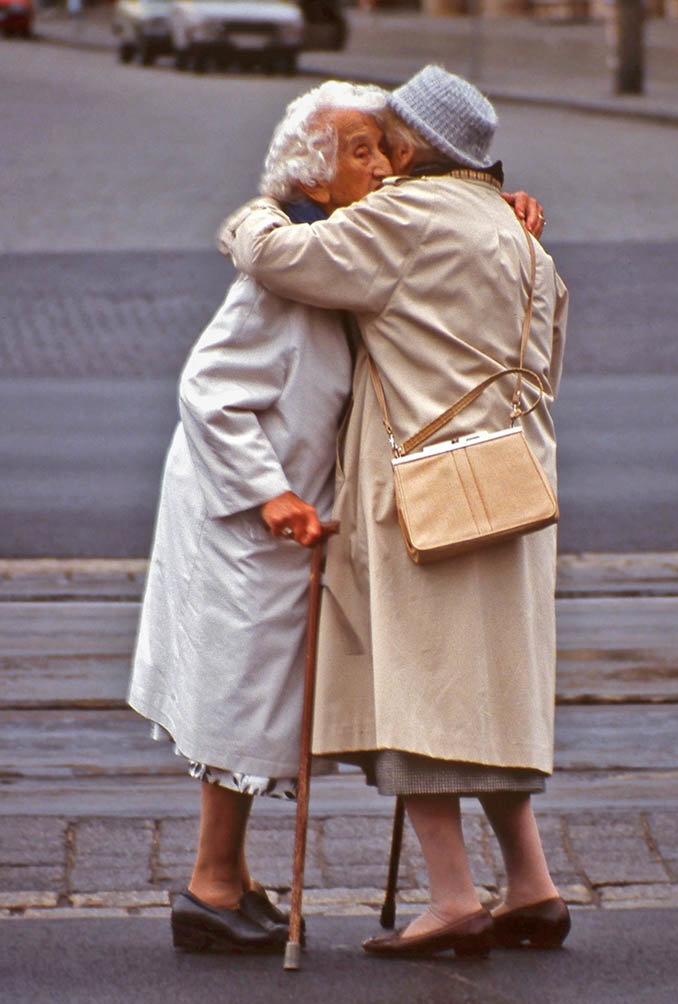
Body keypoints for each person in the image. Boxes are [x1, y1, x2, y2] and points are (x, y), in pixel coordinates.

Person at [129, 76, 545, 954]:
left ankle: (227, 880)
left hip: (342, 510)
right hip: (264, 511)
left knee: (284, 701)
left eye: (382, 144)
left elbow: (400, 249)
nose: (381, 163)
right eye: (358, 150)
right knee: (240, 702)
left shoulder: (368, 243)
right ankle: (212, 883)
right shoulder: (322, 259)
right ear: (314, 177)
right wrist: (268, 493)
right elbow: (209, 392)